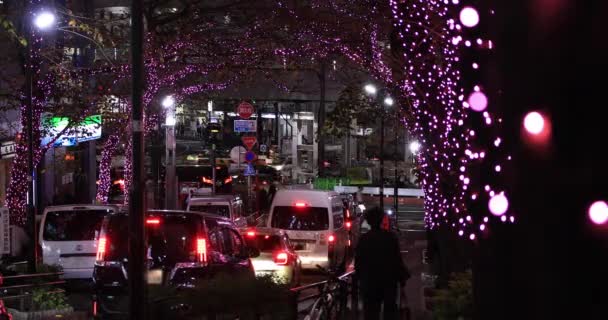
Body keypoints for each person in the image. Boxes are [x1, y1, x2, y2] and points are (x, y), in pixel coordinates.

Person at [355, 207, 410, 320]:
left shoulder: (364, 239)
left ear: (369, 222)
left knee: (371, 312)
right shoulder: (390, 238)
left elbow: (358, 263)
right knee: (390, 311)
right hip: (388, 281)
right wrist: (402, 276)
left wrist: (360, 277)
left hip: (369, 282)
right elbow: (397, 260)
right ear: (381, 220)